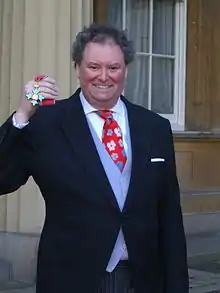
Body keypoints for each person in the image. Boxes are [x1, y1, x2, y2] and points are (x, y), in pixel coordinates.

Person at [0, 23, 188, 293]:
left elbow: (169, 215)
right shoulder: (48, 124)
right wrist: (22, 114)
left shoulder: (154, 127)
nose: (103, 77)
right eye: (93, 67)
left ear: (126, 70)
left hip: (144, 278)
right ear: (77, 68)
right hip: (71, 278)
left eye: (113, 68)